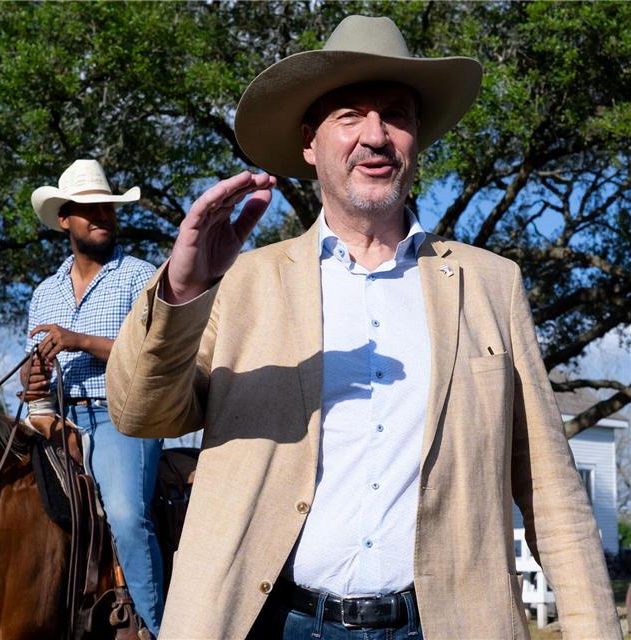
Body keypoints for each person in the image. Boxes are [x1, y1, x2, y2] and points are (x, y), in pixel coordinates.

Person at [106, 15, 620, 640]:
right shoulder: (241, 283)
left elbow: (550, 488)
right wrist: (183, 290)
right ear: (308, 142)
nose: (375, 136)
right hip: (272, 623)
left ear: (416, 140)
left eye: (396, 115)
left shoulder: (491, 284)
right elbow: (138, 412)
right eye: (350, 115)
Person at [22, 158, 163, 635]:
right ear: (65, 219)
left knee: (126, 517)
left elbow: (153, 354)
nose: (102, 217)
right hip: (53, 420)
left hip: (120, 416)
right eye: (89, 210)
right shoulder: (44, 292)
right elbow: (32, 368)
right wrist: (33, 377)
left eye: (108, 209)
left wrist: (78, 340)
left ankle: (157, 628)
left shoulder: (141, 277)